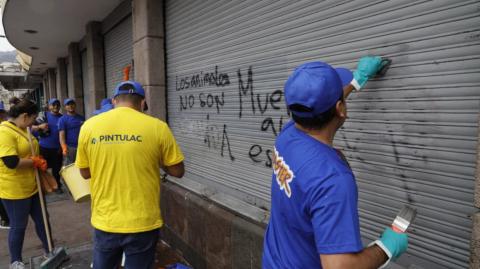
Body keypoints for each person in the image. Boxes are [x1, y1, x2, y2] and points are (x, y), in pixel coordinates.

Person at [262, 57, 408, 269]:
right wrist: (386, 248)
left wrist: (357, 81)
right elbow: (340, 266)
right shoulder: (332, 180)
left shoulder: (287, 134)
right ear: (339, 108)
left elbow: (316, 106)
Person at [75, 81, 185, 269]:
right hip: (143, 221)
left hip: (106, 219)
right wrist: (155, 159)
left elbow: (84, 173)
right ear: (142, 102)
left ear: (114, 101)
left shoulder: (89, 126)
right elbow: (177, 171)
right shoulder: (158, 127)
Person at [0, 97, 54, 269]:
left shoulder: (23, 129)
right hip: (15, 189)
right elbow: (11, 162)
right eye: (33, 119)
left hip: (33, 185)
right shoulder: (4, 132)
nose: (33, 122)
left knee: (43, 219)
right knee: (19, 225)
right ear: (24, 116)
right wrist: (34, 162)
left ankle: (50, 251)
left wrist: (38, 160)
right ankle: (15, 261)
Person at [31, 98, 64, 194]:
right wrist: (40, 126)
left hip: (57, 148)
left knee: (56, 169)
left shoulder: (62, 118)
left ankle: (57, 186)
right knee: (42, 168)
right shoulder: (43, 116)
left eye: (57, 105)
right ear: (49, 106)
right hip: (44, 147)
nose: (56, 106)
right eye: (53, 105)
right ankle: (42, 186)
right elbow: (31, 128)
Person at [58, 98, 85, 164]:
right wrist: (64, 147)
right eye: (68, 105)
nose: (70, 106)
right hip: (70, 147)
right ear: (65, 107)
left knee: (82, 166)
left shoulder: (81, 118)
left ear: (75, 105)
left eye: (72, 104)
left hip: (81, 146)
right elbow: (61, 134)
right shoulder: (63, 119)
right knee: (70, 167)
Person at [0, 102, 10, 229]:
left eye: (1, 112)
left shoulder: (8, 127)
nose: (0, 115)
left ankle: (6, 216)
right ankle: (4, 218)